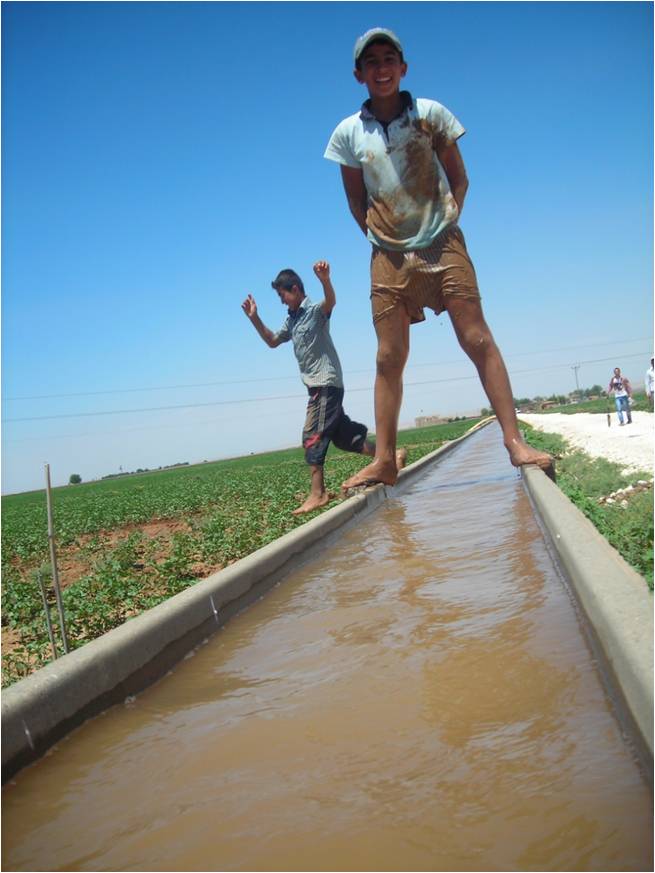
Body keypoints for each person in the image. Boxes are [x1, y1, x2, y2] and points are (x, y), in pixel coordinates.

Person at [323, 27, 554, 489]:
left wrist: (443, 227)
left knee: (477, 338)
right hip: (387, 256)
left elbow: (460, 178)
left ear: (403, 67)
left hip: (444, 245)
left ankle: (514, 442)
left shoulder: (430, 115)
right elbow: (355, 200)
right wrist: (383, 240)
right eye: (372, 63)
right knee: (389, 356)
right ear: (358, 75)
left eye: (390, 59)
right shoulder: (349, 133)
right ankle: (385, 459)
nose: (382, 68)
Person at [242, 261, 406, 514]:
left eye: (282, 295)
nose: (282, 301)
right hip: (320, 387)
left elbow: (330, 302)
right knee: (344, 437)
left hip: (325, 383)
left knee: (312, 436)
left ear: (295, 289)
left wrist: (325, 280)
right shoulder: (292, 320)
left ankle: (318, 494)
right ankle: (391, 458)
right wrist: (254, 319)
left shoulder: (315, 311)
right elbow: (273, 341)